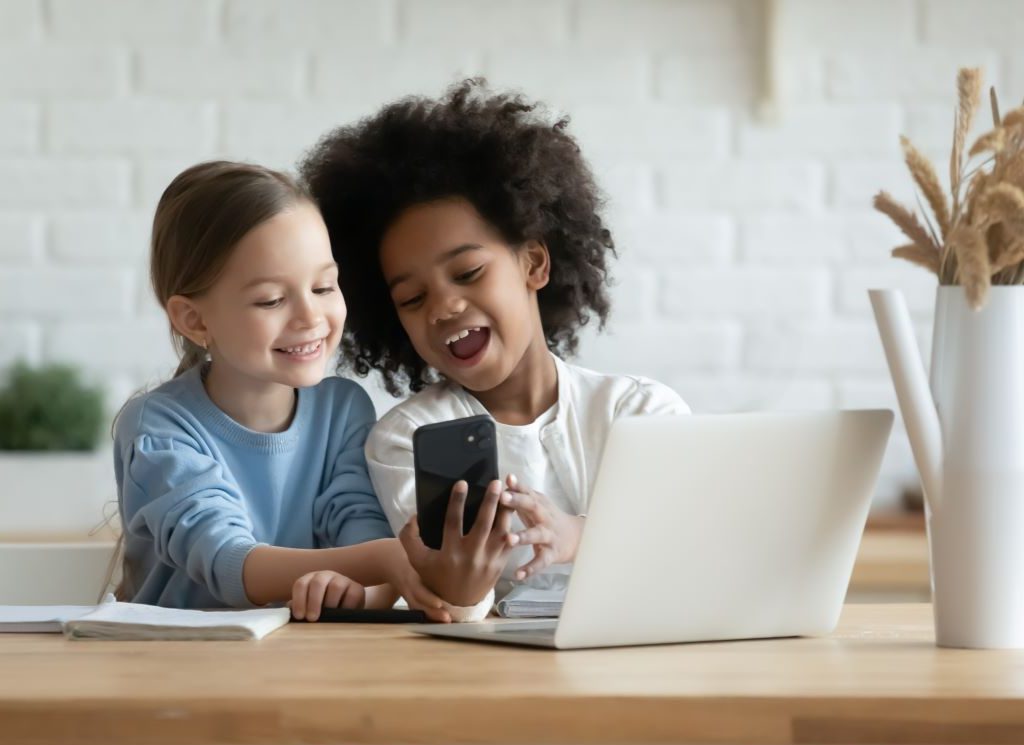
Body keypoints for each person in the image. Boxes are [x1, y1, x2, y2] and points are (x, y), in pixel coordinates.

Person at [300, 80, 690, 612]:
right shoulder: (407, 440)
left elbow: (691, 552)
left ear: (534, 263)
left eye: (467, 272)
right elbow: (449, 610)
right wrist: (456, 588)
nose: (443, 307)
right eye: (412, 298)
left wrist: (579, 536)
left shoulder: (642, 411)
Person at [113, 161, 450, 621]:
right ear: (194, 320)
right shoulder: (157, 426)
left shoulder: (342, 410)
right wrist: (383, 559)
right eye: (272, 299)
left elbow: (362, 532)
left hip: (298, 656)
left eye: (324, 287)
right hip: (177, 657)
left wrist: (355, 594)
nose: (310, 317)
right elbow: (226, 562)